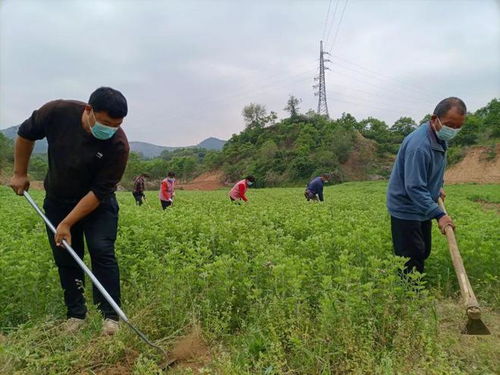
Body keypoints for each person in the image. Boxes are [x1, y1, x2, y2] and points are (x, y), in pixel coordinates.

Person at [9, 87, 129, 335]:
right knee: (66, 255)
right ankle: (76, 316)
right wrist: (20, 172)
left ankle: (110, 318)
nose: (110, 129)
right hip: (58, 200)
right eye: (106, 123)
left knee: (102, 251)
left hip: (98, 204)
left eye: (116, 125)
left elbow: (99, 192)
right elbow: (25, 134)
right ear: (88, 110)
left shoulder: (118, 145)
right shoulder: (57, 112)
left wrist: (67, 223)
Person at [387, 97, 466, 275]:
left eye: (457, 127)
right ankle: (409, 296)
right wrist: (440, 215)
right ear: (434, 119)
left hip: (422, 205)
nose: (452, 130)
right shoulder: (420, 146)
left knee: (423, 250)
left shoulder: (438, 138)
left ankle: (415, 282)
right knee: (411, 256)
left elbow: (431, 170)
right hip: (406, 207)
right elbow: (414, 187)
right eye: (449, 125)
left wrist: (437, 187)